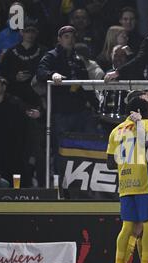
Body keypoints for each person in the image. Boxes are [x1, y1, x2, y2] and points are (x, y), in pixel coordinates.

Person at [106, 97, 148, 263]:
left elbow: (110, 163)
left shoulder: (115, 130)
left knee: (127, 226)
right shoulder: (144, 123)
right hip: (143, 179)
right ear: (141, 112)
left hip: (125, 183)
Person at [37, 25, 100, 172]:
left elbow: (86, 86)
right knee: (62, 148)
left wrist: (97, 107)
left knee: (83, 148)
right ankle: (60, 183)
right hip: (61, 113)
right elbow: (40, 71)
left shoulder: (78, 59)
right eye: (66, 37)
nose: (70, 40)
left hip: (80, 111)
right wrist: (52, 75)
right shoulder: (51, 56)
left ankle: (82, 183)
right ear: (59, 39)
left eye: (72, 37)